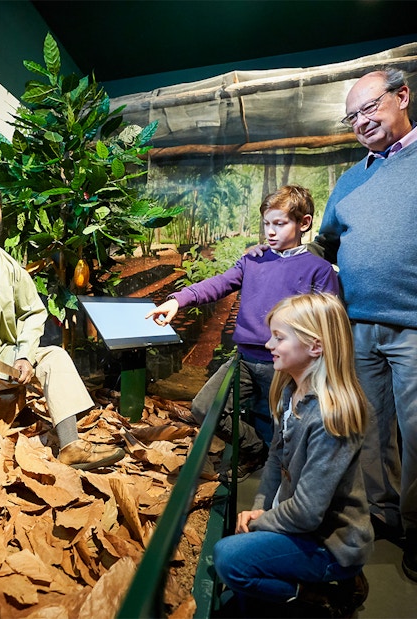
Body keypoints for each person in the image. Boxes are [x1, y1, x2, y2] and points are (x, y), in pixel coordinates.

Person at [146, 185, 339, 481]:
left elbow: (328, 324)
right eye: (266, 224)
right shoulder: (253, 260)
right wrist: (177, 300)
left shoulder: (319, 270)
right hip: (245, 360)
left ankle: (284, 485)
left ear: (304, 223)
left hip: (290, 367)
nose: (270, 232)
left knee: (287, 427)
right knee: (204, 406)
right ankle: (254, 450)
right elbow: (219, 284)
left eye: (280, 223)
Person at [0, 177, 125, 505]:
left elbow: (33, 314)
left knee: (55, 357)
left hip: (4, 361)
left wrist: (24, 356)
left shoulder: (9, 267)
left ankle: (71, 445)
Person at [314, 67, 417, 582]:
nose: (361, 121)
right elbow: (326, 243)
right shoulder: (351, 179)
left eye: (369, 108)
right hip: (359, 328)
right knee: (369, 429)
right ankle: (385, 516)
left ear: (402, 96)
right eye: (352, 116)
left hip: (414, 327)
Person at [213, 293, 374, 618]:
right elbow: (275, 461)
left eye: (279, 337)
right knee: (240, 549)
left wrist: (261, 523)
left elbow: (307, 513)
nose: (269, 344)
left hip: (331, 540)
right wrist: (260, 508)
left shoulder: (331, 418)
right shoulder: (291, 390)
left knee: (228, 559)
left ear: (315, 347)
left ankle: (321, 598)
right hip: (301, 523)